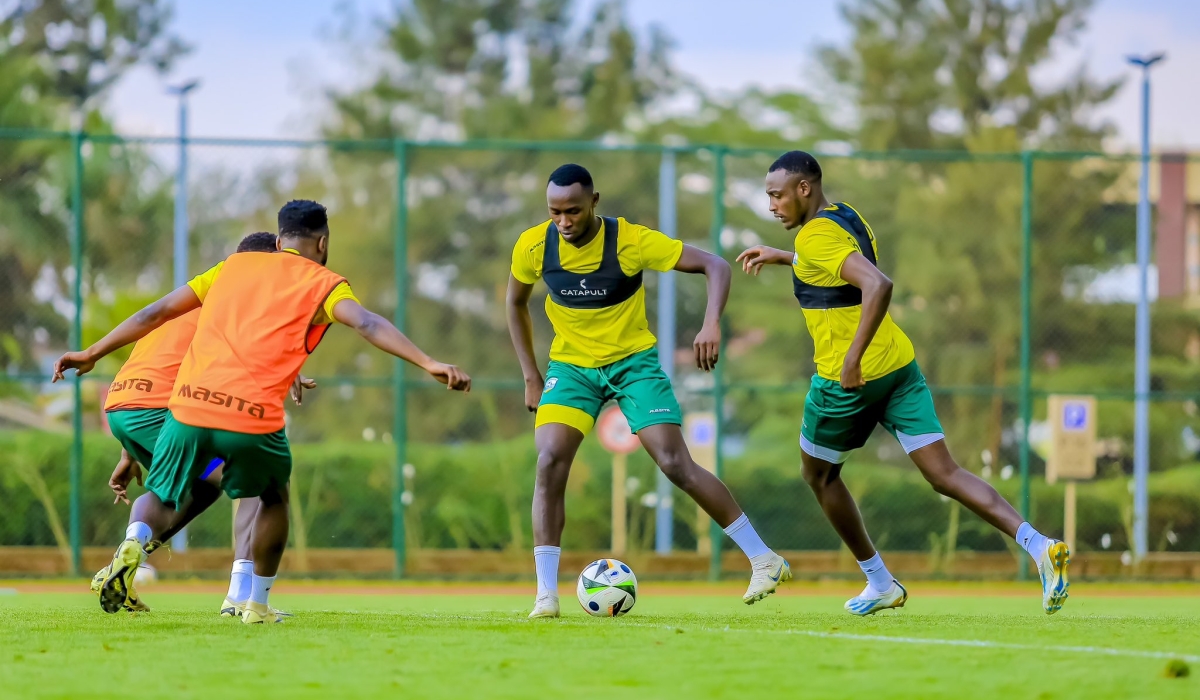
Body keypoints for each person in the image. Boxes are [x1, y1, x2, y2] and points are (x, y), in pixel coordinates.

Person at [55, 200, 471, 623]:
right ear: (323, 242)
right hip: (248, 416)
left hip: (186, 412)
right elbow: (367, 324)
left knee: (166, 492)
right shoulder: (324, 282)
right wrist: (428, 362)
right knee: (270, 495)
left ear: (278, 239)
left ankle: (135, 541)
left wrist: (91, 352)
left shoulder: (231, 268)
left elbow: (154, 312)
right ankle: (254, 602)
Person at [736, 151, 1069, 615]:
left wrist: (852, 359)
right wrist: (786, 257)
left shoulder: (815, 238)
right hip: (898, 367)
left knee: (819, 475)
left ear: (804, 189)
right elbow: (837, 268)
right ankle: (1039, 546)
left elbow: (877, 284)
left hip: (847, 380)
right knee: (945, 474)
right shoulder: (844, 215)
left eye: (776, 194)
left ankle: (879, 581)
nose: (771, 204)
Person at [507, 164, 788, 618]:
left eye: (574, 211)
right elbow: (515, 302)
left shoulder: (632, 241)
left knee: (676, 463)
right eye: (555, 212)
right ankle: (546, 594)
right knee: (549, 460)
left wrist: (711, 323)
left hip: (633, 364)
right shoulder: (534, 245)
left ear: (594, 202)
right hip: (572, 368)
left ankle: (764, 558)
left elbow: (715, 266)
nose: (564, 222)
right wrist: (531, 375)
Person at [92, 231, 287, 614]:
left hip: (123, 408)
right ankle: (242, 595)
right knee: (251, 470)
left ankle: (132, 548)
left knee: (200, 486)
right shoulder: (235, 305)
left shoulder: (190, 301)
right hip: (163, 409)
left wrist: (129, 451)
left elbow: (159, 366)